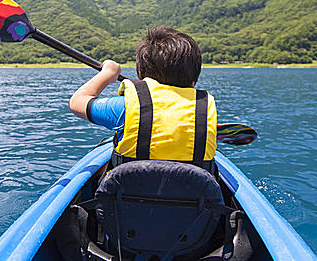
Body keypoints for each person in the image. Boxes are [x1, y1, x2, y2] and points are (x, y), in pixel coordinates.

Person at [69, 26, 217, 172]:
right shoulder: (202, 113)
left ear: (141, 73)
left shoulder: (125, 108)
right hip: (192, 195)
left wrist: (107, 74)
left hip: (126, 195)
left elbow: (77, 102)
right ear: (194, 79)